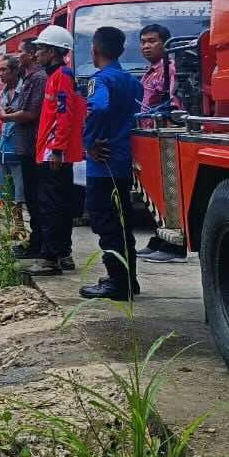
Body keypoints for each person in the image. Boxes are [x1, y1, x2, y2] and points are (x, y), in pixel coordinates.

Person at [79, 26, 144, 301]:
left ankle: (117, 283)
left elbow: (99, 107)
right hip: (124, 158)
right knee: (122, 221)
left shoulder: (100, 80)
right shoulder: (132, 81)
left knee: (105, 222)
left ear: (94, 50)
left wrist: (89, 142)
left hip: (103, 162)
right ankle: (128, 278)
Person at [30, 25, 86, 276]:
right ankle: (63, 253)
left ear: (52, 51)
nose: (37, 54)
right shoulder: (56, 76)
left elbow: (65, 114)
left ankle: (49, 257)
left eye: (40, 49)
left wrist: (57, 148)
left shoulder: (61, 76)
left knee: (50, 206)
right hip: (52, 150)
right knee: (60, 204)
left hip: (53, 153)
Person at [137, 23, 187, 263]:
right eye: (143, 41)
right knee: (155, 195)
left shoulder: (170, 69)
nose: (146, 46)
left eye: (152, 41)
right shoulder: (151, 71)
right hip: (151, 138)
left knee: (170, 194)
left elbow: (176, 105)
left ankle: (174, 246)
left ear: (165, 44)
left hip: (166, 139)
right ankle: (160, 238)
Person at [2, 40, 47, 259]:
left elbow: (32, 113)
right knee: (28, 196)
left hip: (31, 146)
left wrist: (6, 116)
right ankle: (34, 242)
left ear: (31, 54)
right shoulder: (30, 79)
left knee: (33, 198)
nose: (17, 55)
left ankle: (40, 246)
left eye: (20, 51)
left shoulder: (38, 78)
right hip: (23, 147)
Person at [0, 57, 26, 227]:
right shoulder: (3, 92)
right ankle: (11, 225)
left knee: (20, 190)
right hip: (4, 147)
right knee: (5, 188)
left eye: (4, 69)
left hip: (19, 145)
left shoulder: (25, 89)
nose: (0, 73)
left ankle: (19, 224)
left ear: (15, 71)